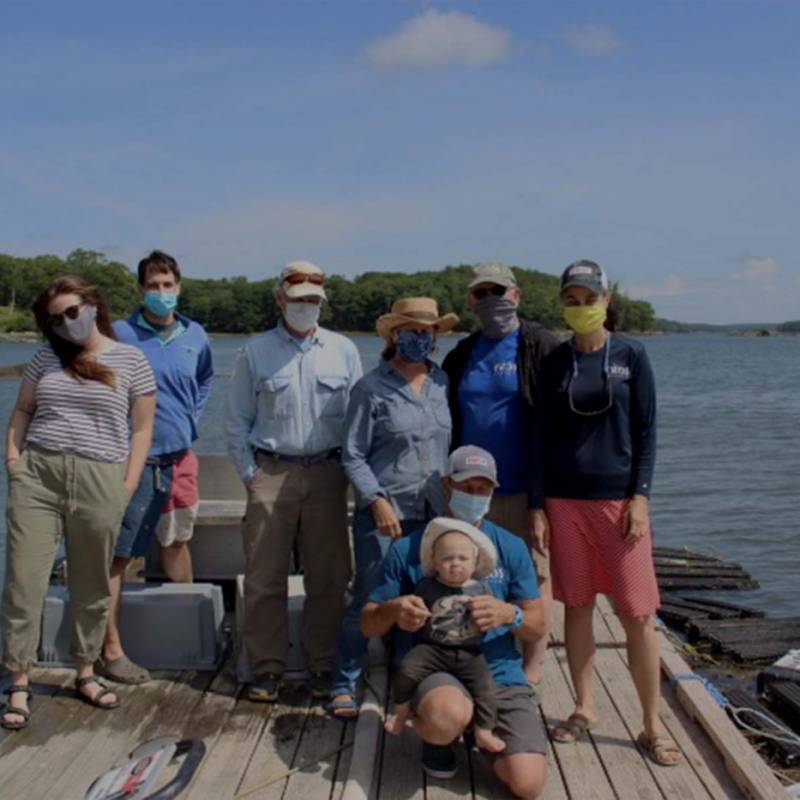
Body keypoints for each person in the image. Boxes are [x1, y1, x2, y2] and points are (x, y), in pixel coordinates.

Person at [529, 259, 681, 767]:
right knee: (575, 607)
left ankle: (651, 724)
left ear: (605, 301)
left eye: (588, 299)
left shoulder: (632, 356)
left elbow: (647, 432)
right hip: (563, 501)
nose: (580, 308)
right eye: (570, 301)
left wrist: (641, 496)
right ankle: (584, 706)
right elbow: (539, 439)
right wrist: (537, 506)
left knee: (638, 614)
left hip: (619, 503)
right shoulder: (553, 362)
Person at [2, 276, 156, 730]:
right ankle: (18, 681)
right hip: (39, 476)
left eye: (73, 312)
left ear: (92, 306)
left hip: (100, 477)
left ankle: (85, 671)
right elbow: (23, 409)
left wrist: (126, 484)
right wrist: (14, 457)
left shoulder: (131, 359)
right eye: (56, 319)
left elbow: (142, 428)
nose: (67, 323)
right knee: (23, 581)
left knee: (91, 582)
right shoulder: (46, 357)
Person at [362, 446, 548, 800]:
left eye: (483, 490)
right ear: (446, 486)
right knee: (445, 713)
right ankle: (440, 738)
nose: (475, 496)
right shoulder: (408, 548)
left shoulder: (510, 546)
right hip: (434, 666)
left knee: (528, 784)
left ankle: (476, 733)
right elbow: (368, 624)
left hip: (497, 673)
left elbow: (538, 627)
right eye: (466, 487)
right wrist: (394, 611)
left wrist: (511, 614)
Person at [227, 260, 363, 702]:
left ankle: (325, 664)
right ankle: (267, 668)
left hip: (327, 472)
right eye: (298, 298)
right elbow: (235, 422)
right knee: (264, 577)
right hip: (270, 469)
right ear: (280, 297)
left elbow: (359, 421)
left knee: (330, 576)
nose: (306, 306)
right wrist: (252, 475)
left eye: (313, 300)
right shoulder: (255, 351)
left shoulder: (344, 349)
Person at [328, 297, 458, 719]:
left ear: (435, 336)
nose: (419, 338)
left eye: (426, 332)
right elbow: (352, 455)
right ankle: (345, 680)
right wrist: (376, 500)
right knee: (370, 598)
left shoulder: (442, 383)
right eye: (410, 331)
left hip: (432, 512)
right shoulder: (370, 388)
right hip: (384, 514)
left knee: (419, 599)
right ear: (392, 335)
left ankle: (408, 676)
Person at [97, 250, 214, 685]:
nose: (161, 293)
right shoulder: (119, 334)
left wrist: (190, 421)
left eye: (168, 285)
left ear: (178, 287)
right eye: (152, 285)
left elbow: (204, 380)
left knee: (177, 541)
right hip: (131, 461)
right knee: (120, 556)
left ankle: (187, 633)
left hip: (181, 458)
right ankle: (111, 649)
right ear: (140, 289)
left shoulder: (196, 334)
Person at [442, 261, 559, 688]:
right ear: (471, 300)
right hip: (471, 491)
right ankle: (477, 652)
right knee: (470, 570)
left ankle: (533, 662)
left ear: (518, 295)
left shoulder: (540, 344)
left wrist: (541, 500)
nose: (491, 300)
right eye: (481, 293)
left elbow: (558, 423)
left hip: (526, 488)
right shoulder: (462, 352)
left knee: (533, 575)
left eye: (500, 291)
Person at [385, 517, 506, 753]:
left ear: (474, 563)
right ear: (435, 562)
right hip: (433, 648)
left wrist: (493, 615)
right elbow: (416, 609)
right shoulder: (427, 586)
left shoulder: (482, 588)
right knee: (407, 668)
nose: (455, 564)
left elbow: (492, 616)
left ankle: (484, 731)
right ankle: (400, 711)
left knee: (487, 687)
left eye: (463, 559)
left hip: (470, 652)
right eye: (447, 559)